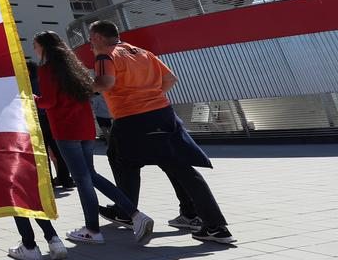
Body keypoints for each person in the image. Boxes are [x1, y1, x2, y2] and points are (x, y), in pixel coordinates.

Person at [89, 20, 235, 244]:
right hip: (163, 114)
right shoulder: (143, 53)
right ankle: (206, 221)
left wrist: (81, 88)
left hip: (131, 118)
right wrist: (151, 98)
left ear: (98, 37)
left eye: (91, 39)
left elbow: (106, 82)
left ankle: (127, 211)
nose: (91, 44)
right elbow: (170, 79)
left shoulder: (105, 55)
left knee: (122, 161)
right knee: (180, 166)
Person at [32, 31, 154, 246]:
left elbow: (49, 102)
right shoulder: (74, 67)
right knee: (90, 175)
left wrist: (33, 99)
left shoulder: (46, 69)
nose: (34, 49)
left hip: (65, 128)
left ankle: (93, 229)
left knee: (83, 180)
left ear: (44, 47)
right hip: (85, 126)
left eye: (35, 45)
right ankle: (135, 215)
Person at [28, 61, 74, 189]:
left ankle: (48, 182)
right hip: (50, 117)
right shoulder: (43, 81)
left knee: (42, 152)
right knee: (58, 151)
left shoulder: (26, 84)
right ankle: (66, 179)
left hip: (36, 119)